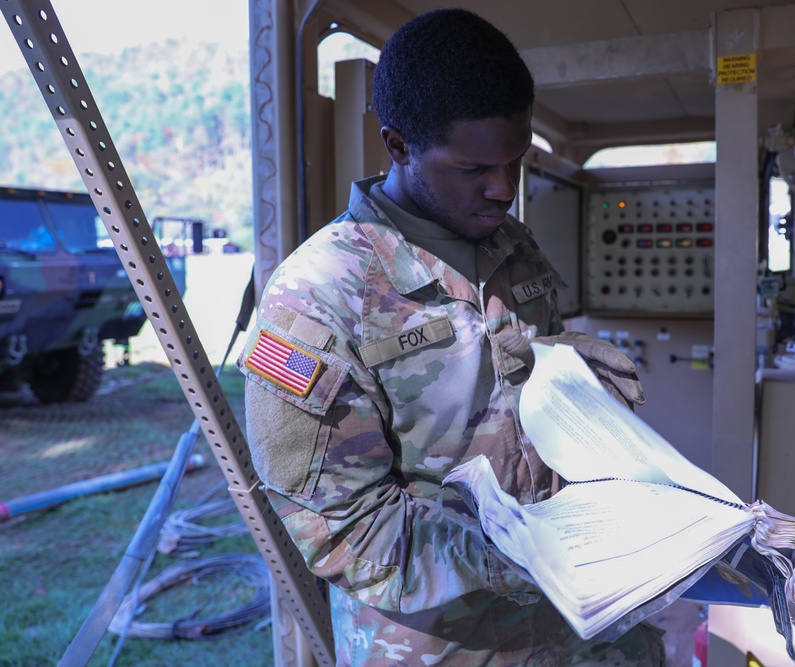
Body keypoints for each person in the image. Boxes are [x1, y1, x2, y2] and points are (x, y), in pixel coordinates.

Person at [239, 8, 665, 665]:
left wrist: (584, 394)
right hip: (446, 645)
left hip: (575, 625)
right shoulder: (319, 298)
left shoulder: (510, 245)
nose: (503, 189)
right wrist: (533, 558)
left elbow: (526, 395)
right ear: (399, 144)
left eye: (515, 161)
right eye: (473, 169)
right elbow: (348, 529)